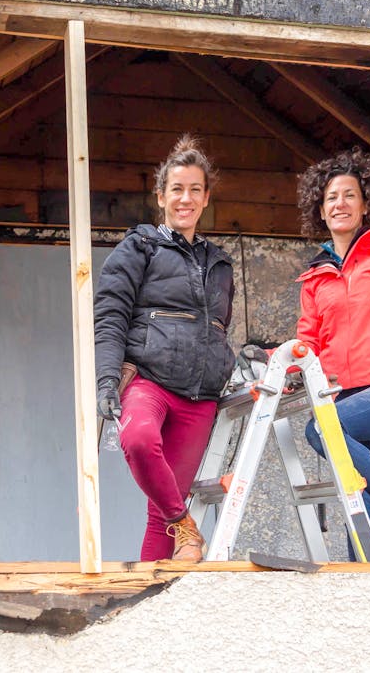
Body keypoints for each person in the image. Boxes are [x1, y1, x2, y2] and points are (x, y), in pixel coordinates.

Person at [93, 136, 235, 563]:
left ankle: (153, 608)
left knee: (158, 516)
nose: (185, 198)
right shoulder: (140, 247)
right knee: (137, 440)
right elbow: (110, 313)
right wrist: (106, 377)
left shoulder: (221, 263)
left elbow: (218, 328)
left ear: (206, 197)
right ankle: (187, 525)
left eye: (195, 189)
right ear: (161, 196)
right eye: (177, 189)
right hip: (150, 381)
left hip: (200, 399)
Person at [294, 147, 370, 555]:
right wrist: (282, 361)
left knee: (319, 429)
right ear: (321, 210)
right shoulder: (315, 276)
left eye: (349, 195)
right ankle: (364, 566)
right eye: (331, 197)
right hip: (342, 390)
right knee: (353, 487)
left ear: (366, 205)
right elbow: (307, 339)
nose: (340, 204)